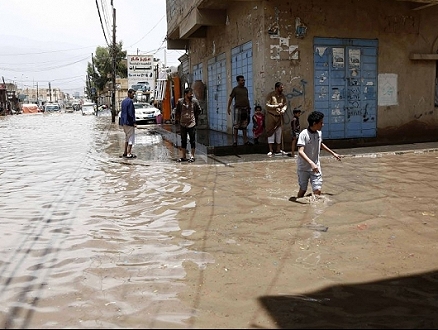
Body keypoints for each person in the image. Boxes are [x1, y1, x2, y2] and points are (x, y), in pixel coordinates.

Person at [296, 111, 342, 198]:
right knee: (303, 190)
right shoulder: (304, 134)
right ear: (314, 123)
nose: (323, 124)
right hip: (303, 168)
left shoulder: (319, 133)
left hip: (316, 167)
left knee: (317, 190)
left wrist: (333, 153)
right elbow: (300, 151)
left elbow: (320, 144)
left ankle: (315, 208)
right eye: (321, 123)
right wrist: (311, 163)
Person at [175, 87, 202, 163]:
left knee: (192, 140)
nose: (192, 95)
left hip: (192, 124)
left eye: (192, 94)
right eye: (190, 94)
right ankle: (184, 156)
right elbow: (177, 112)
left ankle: (192, 156)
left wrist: (194, 118)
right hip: (182, 124)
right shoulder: (180, 102)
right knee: (183, 140)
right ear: (186, 94)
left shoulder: (194, 101)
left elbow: (199, 110)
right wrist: (178, 120)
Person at [227, 75, 253, 146]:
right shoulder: (235, 89)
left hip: (245, 109)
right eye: (241, 80)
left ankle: (246, 141)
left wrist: (249, 107)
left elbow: (247, 98)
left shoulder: (245, 89)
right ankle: (235, 141)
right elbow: (231, 98)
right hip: (238, 109)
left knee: (244, 125)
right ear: (238, 81)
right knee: (236, 125)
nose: (243, 81)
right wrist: (228, 107)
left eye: (244, 80)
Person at [265, 82, 287, 157]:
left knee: (279, 132)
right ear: (277, 88)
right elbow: (267, 105)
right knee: (271, 132)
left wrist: (283, 110)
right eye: (281, 87)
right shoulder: (271, 95)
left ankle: (278, 149)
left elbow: (285, 104)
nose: (282, 89)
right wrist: (276, 106)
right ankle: (270, 150)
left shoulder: (283, 96)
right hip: (271, 116)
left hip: (279, 117)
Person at [120, 88, 137, 158]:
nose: (133, 96)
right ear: (129, 94)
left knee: (127, 137)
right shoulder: (130, 101)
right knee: (131, 138)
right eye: (133, 94)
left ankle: (125, 152)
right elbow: (130, 113)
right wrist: (134, 122)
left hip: (123, 122)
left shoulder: (123, 101)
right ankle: (129, 153)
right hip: (129, 122)